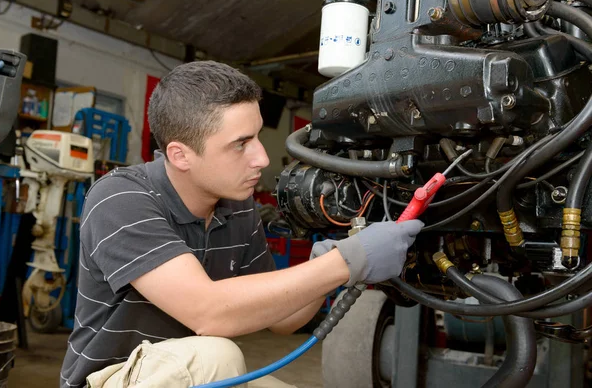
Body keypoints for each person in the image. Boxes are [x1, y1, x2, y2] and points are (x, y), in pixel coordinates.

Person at [59, 60, 423, 388]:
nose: (262, 158)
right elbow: (208, 313)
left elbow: (283, 320)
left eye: (258, 136)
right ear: (180, 155)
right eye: (240, 144)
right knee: (218, 357)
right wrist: (349, 259)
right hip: (110, 379)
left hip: (191, 376)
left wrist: (327, 265)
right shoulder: (119, 198)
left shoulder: (236, 205)